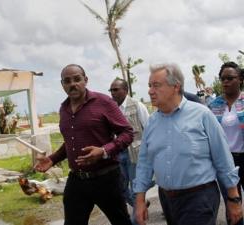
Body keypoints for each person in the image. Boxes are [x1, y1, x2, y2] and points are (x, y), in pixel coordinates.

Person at [134, 63, 243, 225]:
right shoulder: (152, 123)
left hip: (199, 199)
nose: (150, 91)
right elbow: (144, 162)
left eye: (156, 85)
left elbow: (223, 158)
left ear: (176, 86)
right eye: (150, 86)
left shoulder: (202, 115)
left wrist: (233, 198)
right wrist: (140, 199)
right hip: (167, 200)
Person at [34, 64, 134, 225]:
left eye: (77, 79)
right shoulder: (63, 109)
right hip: (77, 180)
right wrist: (53, 159)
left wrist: (103, 151)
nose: (72, 84)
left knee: (121, 222)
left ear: (85, 80)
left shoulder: (104, 102)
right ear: (62, 85)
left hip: (106, 178)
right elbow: (70, 142)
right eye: (67, 81)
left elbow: (127, 133)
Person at [109, 78, 151, 224]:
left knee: (134, 189)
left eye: (116, 89)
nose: (112, 93)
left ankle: (136, 221)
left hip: (135, 153)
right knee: (120, 189)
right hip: (118, 153)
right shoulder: (111, 108)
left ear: (125, 90)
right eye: (111, 90)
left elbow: (148, 129)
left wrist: (148, 153)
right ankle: (140, 206)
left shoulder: (137, 105)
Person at [209, 61, 244, 225]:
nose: (225, 82)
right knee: (232, 207)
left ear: (241, 79)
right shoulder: (213, 106)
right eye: (222, 79)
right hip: (226, 162)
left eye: (230, 78)